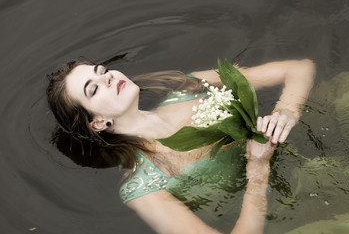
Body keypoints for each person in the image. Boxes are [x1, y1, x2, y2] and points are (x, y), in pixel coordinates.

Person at [46, 58, 315, 233]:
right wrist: (259, 167)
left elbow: (300, 68)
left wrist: (287, 113)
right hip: (283, 217)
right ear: (98, 123)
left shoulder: (183, 87)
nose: (106, 78)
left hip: (307, 159)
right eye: (93, 90)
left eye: (102, 71)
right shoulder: (143, 188)